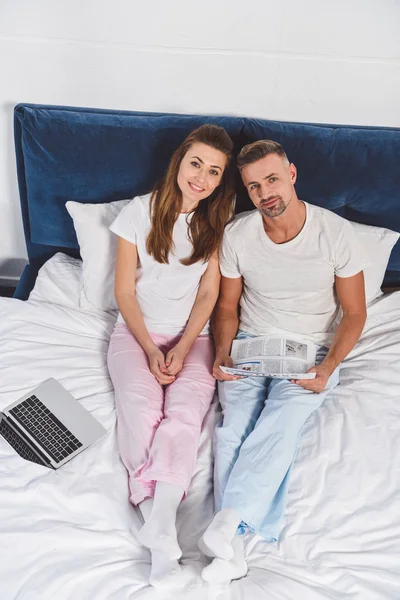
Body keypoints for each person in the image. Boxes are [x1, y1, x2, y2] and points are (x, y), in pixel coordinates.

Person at [199, 140, 368, 584]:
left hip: (310, 349)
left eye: (272, 179)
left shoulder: (335, 233)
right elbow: (228, 308)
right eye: (254, 186)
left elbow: (354, 313)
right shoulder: (237, 234)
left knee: (282, 420)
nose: (264, 193)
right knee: (234, 421)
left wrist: (328, 368)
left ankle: (227, 524)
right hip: (252, 343)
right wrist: (222, 350)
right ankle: (231, 543)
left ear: (291, 174)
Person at [107, 124, 236, 587]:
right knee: (140, 411)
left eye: (214, 171)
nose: (201, 177)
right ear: (180, 162)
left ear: (221, 181)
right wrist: (149, 349)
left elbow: (207, 296)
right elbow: (124, 291)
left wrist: (182, 349)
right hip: (135, 334)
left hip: (192, 339)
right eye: (196, 164)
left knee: (184, 414)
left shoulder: (216, 224)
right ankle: (159, 533)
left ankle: (158, 518)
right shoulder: (137, 213)